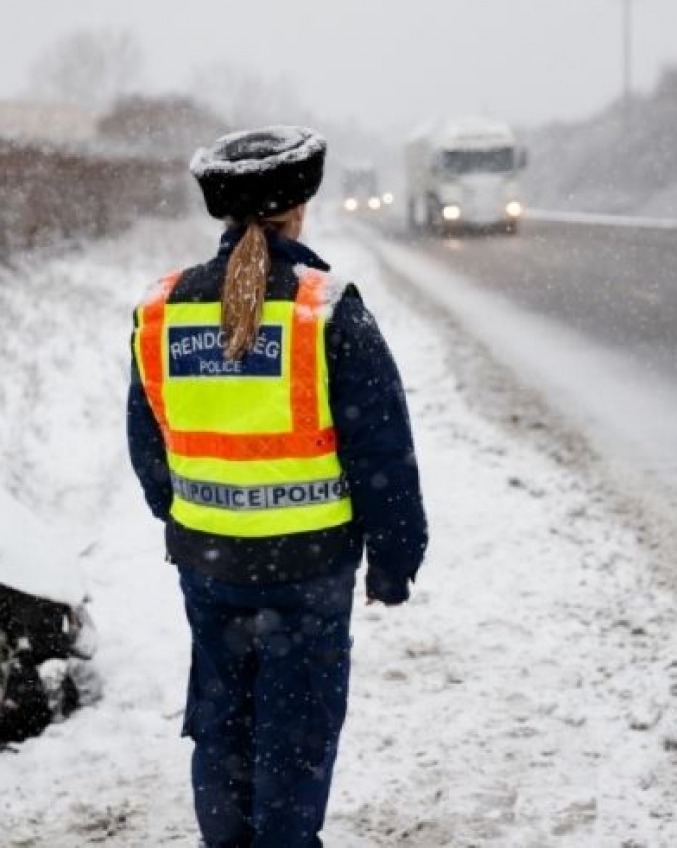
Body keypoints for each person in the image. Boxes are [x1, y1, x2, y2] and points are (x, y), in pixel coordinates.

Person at [126, 125, 428, 848]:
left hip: (209, 566)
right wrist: (393, 563)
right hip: (308, 571)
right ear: (301, 204)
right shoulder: (324, 309)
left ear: (223, 211)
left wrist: (193, 513)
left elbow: (150, 449)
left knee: (222, 727)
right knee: (294, 735)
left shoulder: (163, 309)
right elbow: (381, 452)